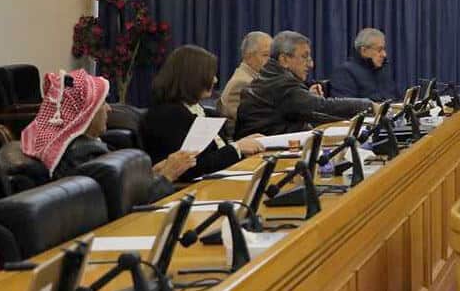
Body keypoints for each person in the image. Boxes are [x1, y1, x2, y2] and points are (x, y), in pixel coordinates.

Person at [20, 69, 193, 200]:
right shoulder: (84, 155)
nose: (109, 109)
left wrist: (152, 173)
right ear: (86, 114)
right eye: (103, 103)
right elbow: (128, 205)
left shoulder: (74, 148)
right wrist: (167, 176)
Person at [142, 46, 266, 183]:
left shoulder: (201, 111)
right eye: (210, 75)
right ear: (192, 77)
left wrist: (242, 146)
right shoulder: (166, 116)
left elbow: (217, 155)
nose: (215, 80)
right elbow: (191, 167)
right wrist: (237, 148)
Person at [235, 31, 374, 139]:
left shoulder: (273, 77)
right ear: (284, 60)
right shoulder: (281, 84)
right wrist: (368, 106)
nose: (311, 64)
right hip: (258, 157)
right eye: (304, 56)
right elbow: (323, 107)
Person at [219, 31, 272, 137]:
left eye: (272, 56)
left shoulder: (258, 78)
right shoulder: (241, 83)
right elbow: (249, 123)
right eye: (265, 55)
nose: (271, 61)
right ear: (248, 57)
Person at [330, 28, 396, 101]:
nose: (384, 54)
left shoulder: (383, 69)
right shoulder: (345, 72)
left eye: (384, 49)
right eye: (379, 50)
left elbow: (393, 98)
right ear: (364, 51)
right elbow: (346, 105)